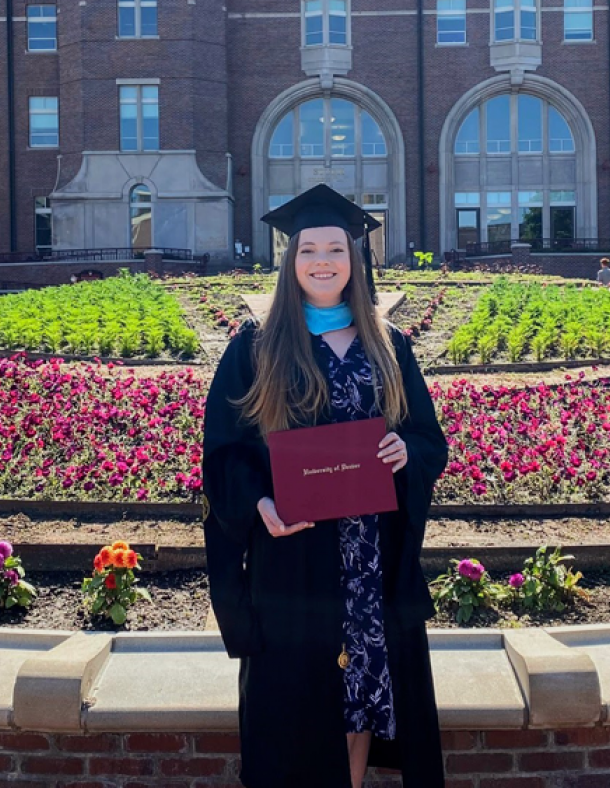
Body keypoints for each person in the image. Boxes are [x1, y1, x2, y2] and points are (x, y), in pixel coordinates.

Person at [202, 184, 448, 788]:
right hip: (292, 561)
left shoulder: (389, 347)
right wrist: (260, 503)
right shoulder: (254, 347)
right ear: (289, 260)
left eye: (335, 248)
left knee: (362, 692)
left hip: (371, 560)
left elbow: (428, 440)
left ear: (354, 259)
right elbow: (224, 454)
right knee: (293, 703)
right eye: (307, 248)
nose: (322, 260)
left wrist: (404, 451)